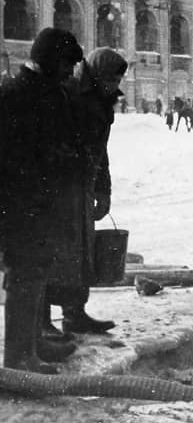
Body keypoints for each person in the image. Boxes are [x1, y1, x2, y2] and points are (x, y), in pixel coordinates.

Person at [0, 28, 86, 372]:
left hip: (38, 203)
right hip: (20, 205)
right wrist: (54, 160)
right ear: (51, 60)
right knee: (24, 275)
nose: (70, 72)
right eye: (67, 64)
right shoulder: (16, 95)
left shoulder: (43, 91)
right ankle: (20, 356)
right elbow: (13, 156)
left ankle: (32, 344)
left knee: (36, 273)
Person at [41, 47, 129, 342]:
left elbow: (101, 152)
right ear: (97, 74)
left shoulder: (103, 103)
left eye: (118, 81)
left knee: (82, 253)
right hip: (60, 187)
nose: (115, 86)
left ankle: (75, 313)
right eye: (111, 79)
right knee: (53, 253)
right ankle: (41, 318)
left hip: (84, 185)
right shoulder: (68, 96)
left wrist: (103, 189)